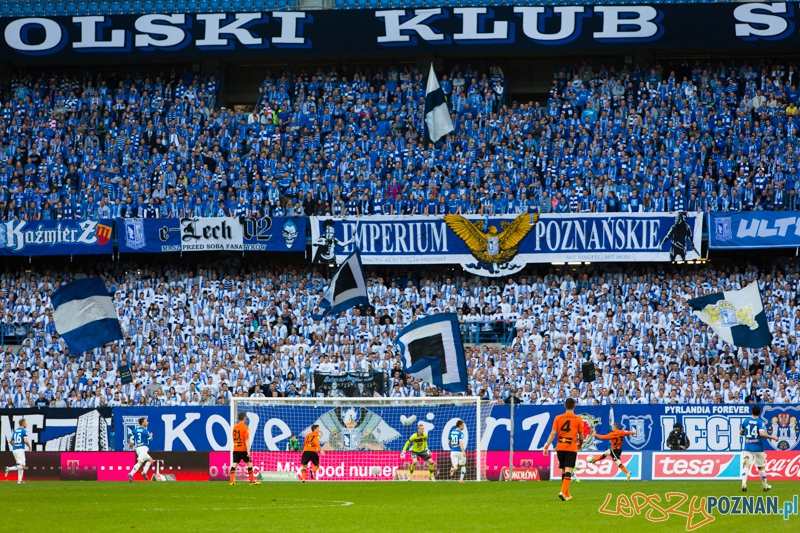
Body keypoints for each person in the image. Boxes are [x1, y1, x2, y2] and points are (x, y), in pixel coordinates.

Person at [543, 398, 584, 501]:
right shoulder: (578, 419)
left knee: (564, 470)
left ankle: (567, 494)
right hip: (571, 447)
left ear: (564, 406)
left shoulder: (558, 418)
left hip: (560, 447)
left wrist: (546, 446)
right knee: (569, 470)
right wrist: (580, 444)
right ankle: (562, 492)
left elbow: (553, 434)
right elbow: (581, 436)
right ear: (574, 406)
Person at [740, 404, 779, 492]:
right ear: (760, 412)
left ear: (751, 412)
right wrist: (773, 437)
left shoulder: (746, 421)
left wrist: (747, 434)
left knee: (746, 466)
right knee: (760, 467)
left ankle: (743, 484)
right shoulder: (760, 422)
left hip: (748, 447)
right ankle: (765, 486)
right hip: (758, 448)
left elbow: (741, 432)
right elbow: (761, 434)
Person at [230, 412, 261, 486]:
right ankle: (252, 481)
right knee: (249, 463)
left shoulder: (234, 427)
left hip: (236, 448)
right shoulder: (245, 428)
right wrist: (248, 451)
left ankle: (231, 481)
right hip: (243, 449)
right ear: (244, 418)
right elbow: (246, 440)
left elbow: (233, 439)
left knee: (234, 463)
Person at [127, 417, 153, 482]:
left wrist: (130, 443)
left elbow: (128, 436)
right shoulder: (145, 431)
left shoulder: (135, 430)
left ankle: (144, 472)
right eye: (146, 421)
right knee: (140, 463)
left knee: (150, 460)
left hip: (138, 448)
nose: (147, 422)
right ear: (142, 423)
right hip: (143, 448)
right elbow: (151, 440)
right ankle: (131, 473)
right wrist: (151, 436)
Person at [5, 419, 31, 484]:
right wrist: (29, 446)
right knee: (23, 466)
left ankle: (19, 480)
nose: (26, 424)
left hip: (15, 449)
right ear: (23, 423)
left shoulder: (15, 431)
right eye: (26, 423)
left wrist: (14, 445)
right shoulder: (24, 431)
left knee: (20, 465)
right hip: (20, 450)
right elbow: (25, 440)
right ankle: (9, 469)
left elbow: (10, 441)